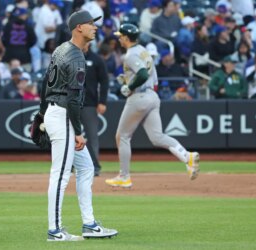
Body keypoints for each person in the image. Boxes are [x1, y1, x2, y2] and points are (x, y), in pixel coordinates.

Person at [37, 10, 118, 241]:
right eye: (91, 24)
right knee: (60, 174)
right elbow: (73, 99)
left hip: (56, 112)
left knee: (86, 167)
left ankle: (90, 224)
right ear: (78, 28)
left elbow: (45, 82)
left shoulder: (60, 49)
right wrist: (79, 133)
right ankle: (55, 230)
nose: (95, 27)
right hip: (63, 116)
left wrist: (42, 113)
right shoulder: (75, 56)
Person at [105, 23, 200, 188]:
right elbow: (147, 74)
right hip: (152, 96)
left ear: (127, 38)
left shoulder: (130, 55)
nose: (119, 38)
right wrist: (128, 79)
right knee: (157, 137)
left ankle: (124, 176)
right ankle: (187, 156)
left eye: (121, 36)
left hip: (139, 97)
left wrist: (130, 86)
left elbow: (141, 74)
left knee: (123, 136)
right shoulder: (143, 50)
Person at [81, 42, 109, 177]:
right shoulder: (69, 57)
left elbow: (104, 81)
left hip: (89, 104)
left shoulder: (97, 59)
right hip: (70, 104)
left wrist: (102, 101)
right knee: (67, 136)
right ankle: (69, 165)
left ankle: (94, 166)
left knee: (92, 137)